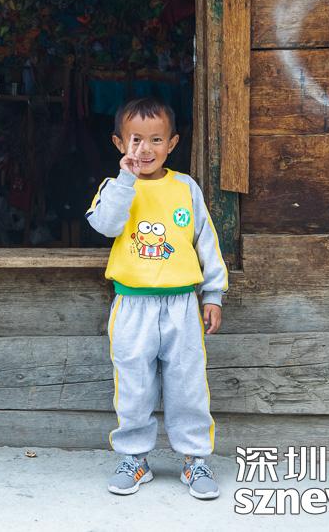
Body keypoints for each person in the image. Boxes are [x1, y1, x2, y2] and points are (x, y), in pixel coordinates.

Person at [85, 96, 227, 498]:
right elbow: (106, 225)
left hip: (181, 304)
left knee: (188, 384)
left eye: (156, 140)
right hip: (132, 305)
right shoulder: (114, 188)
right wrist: (125, 180)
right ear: (119, 143)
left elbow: (206, 241)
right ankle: (135, 459)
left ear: (172, 143)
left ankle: (195, 460)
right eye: (135, 140)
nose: (144, 149)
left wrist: (213, 293)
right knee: (133, 384)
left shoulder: (185, 188)